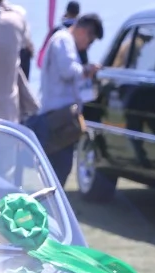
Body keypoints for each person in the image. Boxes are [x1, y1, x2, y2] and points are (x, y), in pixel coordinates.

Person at [37, 15, 98, 183]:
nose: (87, 46)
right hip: (58, 120)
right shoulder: (63, 40)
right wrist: (87, 70)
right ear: (85, 32)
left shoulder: (64, 40)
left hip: (60, 119)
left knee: (59, 170)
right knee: (59, 170)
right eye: (90, 41)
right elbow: (68, 71)